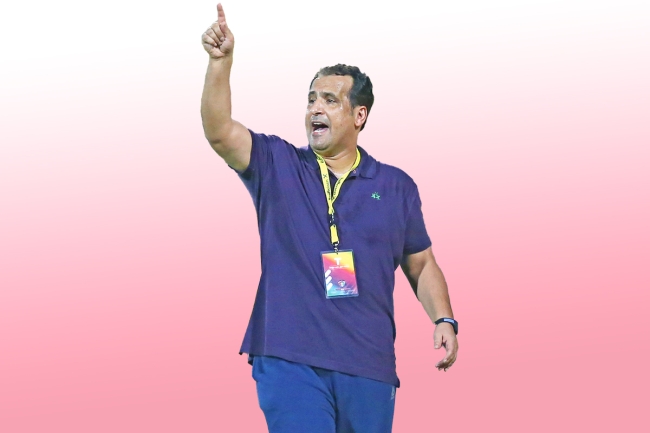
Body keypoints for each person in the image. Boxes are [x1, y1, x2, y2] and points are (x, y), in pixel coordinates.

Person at [200, 4, 459, 432]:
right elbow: (220, 132)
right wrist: (219, 63)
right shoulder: (278, 164)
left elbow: (421, 263)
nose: (315, 108)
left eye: (330, 100)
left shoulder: (396, 186)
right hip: (290, 357)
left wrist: (443, 318)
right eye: (311, 99)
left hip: (368, 362)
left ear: (359, 115)